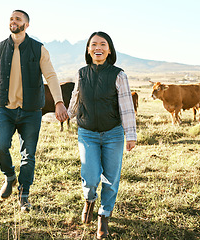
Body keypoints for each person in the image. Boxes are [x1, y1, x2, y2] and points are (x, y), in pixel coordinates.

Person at [0, 10, 68, 212]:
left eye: (18, 19)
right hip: (5, 109)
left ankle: (24, 194)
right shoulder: (0, 48)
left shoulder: (39, 49)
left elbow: (52, 77)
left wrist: (59, 102)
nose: (13, 21)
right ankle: (10, 176)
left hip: (31, 112)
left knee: (28, 155)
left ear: (26, 25)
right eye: (11, 18)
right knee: (0, 147)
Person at [67, 31, 137, 239]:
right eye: (94, 44)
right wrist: (65, 115)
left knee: (111, 178)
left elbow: (126, 106)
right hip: (87, 133)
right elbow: (75, 99)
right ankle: (89, 199)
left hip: (113, 134)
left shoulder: (118, 74)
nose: (98, 47)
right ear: (88, 49)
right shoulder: (81, 73)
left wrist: (130, 134)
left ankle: (103, 216)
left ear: (109, 50)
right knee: (89, 176)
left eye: (103, 44)